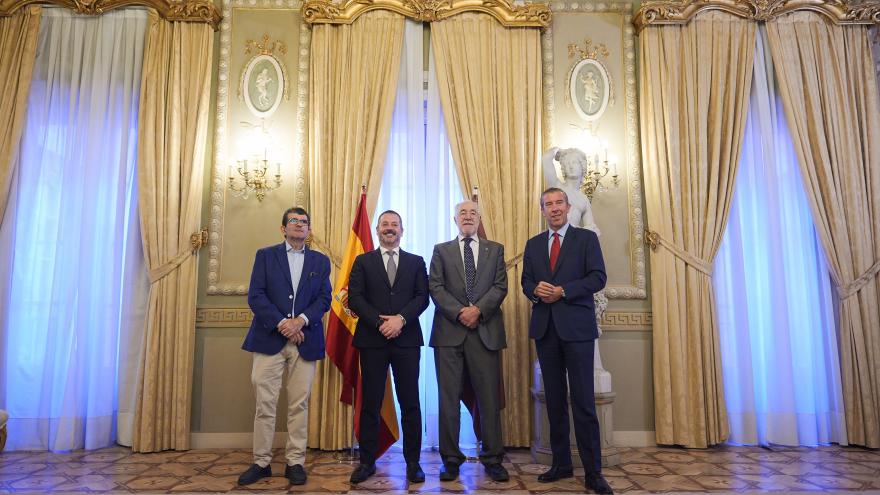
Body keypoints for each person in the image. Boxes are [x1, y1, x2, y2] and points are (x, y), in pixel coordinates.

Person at [521, 188, 613, 495]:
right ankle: (560, 464)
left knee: (584, 402)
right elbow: (526, 282)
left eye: (559, 203)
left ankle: (593, 471)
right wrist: (537, 290)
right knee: (555, 402)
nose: (554, 208)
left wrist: (564, 290)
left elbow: (598, 278)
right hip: (546, 331)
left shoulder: (586, 239)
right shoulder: (533, 244)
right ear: (542, 210)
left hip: (578, 330)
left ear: (568, 206)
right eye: (548, 204)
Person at [238, 207, 332, 486]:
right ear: (283, 228)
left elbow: (324, 300)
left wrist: (300, 322)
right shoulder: (265, 256)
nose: (300, 225)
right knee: (265, 405)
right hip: (269, 340)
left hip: (307, 340)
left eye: (304, 222)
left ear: (308, 229)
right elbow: (256, 296)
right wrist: (283, 324)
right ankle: (261, 462)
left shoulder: (320, 261)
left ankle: (295, 463)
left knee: (298, 405)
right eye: (294, 221)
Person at [428, 200, 509, 482]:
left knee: (488, 400)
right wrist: (460, 312)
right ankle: (451, 460)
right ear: (455, 219)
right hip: (449, 334)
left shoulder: (495, 249)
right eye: (463, 212)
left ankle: (492, 458)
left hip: (485, 332)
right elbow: (435, 286)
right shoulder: (441, 250)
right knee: (448, 400)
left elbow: (501, 286)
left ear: (479, 219)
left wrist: (478, 311)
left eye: (473, 213)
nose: (468, 216)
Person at [347, 210, 429, 484]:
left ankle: (413, 463)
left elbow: (422, 297)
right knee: (370, 403)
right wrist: (380, 323)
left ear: (402, 231)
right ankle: (367, 462)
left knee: (410, 403)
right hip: (373, 340)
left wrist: (401, 320)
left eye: (394, 225)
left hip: (406, 341)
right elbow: (355, 298)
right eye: (385, 225)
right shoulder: (362, 261)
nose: (390, 229)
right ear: (378, 230)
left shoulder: (416, 262)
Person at [542, 147, 600, 235]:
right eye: (567, 163)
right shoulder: (557, 187)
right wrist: (557, 150)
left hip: (575, 244)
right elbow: (546, 158)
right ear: (563, 168)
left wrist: (585, 231)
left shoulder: (583, 199)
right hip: (557, 241)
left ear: (582, 166)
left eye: (574, 162)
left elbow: (592, 228)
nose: (571, 166)